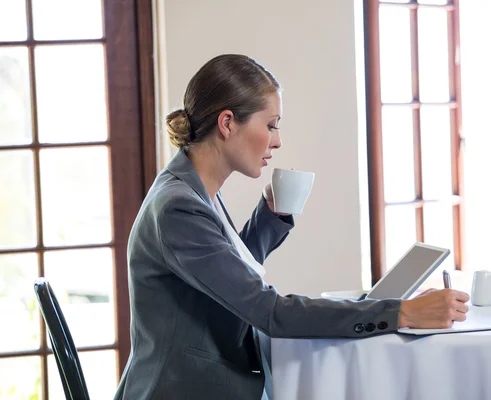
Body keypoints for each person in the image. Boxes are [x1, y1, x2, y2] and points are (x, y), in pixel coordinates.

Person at [117, 54, 470, 399]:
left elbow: (222, 277)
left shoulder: (191, 190)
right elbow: (268, 311)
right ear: (227, 123)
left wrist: (268, 219)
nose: (277, 140)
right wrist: (401, 312)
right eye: (270, 124)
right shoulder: (180, 207)